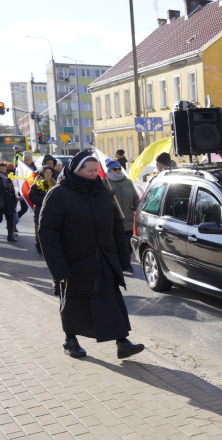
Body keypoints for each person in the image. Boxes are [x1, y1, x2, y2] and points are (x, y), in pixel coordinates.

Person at [38, 151, 144, 360]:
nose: (94, 174)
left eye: (96, 170)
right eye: (90, 171)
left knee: (112, 301)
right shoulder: (58, 194)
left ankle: (122, 342)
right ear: (77, 170)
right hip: (73, 261)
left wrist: (123, 257)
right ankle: (71, 341)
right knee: (73, 304)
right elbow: (47, 233)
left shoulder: (102, 190)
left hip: (103, 258)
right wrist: (58, 268)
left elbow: (115, 225)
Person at [105, 159, 139, 242]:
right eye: (115, 169)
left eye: (119, 169)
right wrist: (107, 195)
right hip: (113, 225)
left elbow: (136, 200)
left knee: (128, 249)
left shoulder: (128, 182)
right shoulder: (104, 182)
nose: (118, 171)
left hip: (129, 224)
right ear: (109, 170)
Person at [27, 165, 56, 255]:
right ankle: (39, 245)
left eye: (50, 173)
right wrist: (45, 200)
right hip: (40, 211)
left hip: (53, 212)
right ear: (42, 174)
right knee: (41, 230)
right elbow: (32, 198)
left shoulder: (55, 184)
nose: (48, 175)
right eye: (46, 173)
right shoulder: (37, 185)